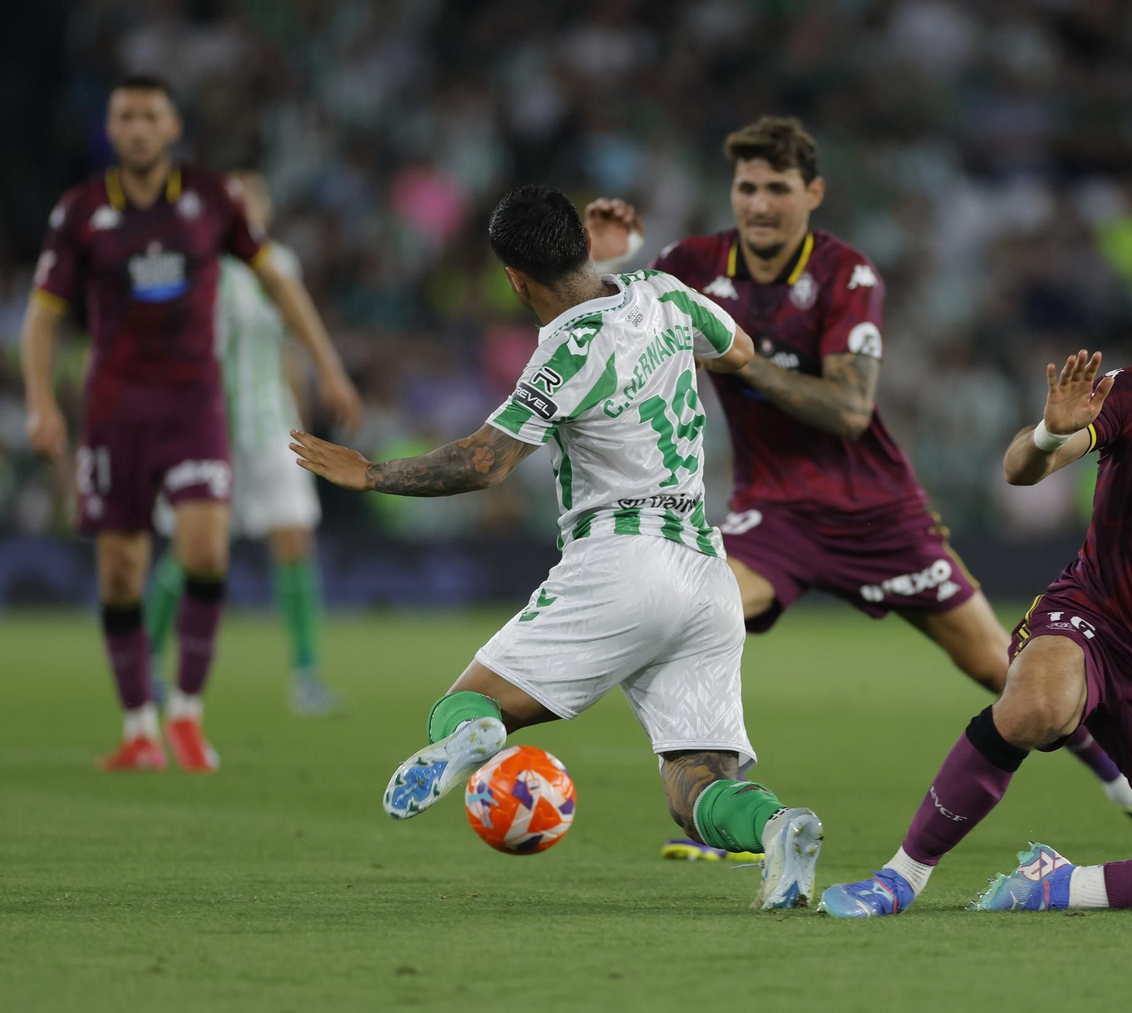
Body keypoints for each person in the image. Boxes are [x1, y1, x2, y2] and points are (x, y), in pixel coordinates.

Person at [587, 115, 1132, 861]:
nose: (759, 204)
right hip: (774, 514)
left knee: (1005, 668)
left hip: (879, 514)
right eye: (746, 188)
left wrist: (736, 356)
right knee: (694, 620)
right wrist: (600, 267)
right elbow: (592, 332)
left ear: (813, 193)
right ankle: (728, 809)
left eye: (777, 188)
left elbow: (848, 408)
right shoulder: (690, 264)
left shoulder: (847, 273)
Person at [289, 183, 825, 911]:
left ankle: (476, 738)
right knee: (696, 784)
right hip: (705, 571)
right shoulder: (666, 294)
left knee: (467, 705)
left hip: (621, 562)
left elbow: (487, 461)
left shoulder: (564, 351)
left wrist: (370, 471)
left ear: (513, 278)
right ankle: (780, 827)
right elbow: (740, 350)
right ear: (580, 242)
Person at [819, 259, 1132, 917]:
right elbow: (1020, 470)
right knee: (1038, 704)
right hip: (1084, 622)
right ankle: (898, 877)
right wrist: (1049, 432)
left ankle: (1058, 886)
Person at [21, 74, 360, 772]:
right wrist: (40, 399)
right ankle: (138, 725)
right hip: (115, 410)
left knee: (207, 547)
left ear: (173, 127)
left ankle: (185, 713)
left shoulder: (212, 200)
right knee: (121, 571)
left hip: (197, 405)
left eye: (152, 114)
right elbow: (44, 311)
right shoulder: (82, 210)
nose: (139, 126)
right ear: (111, 128)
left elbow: (279, 284)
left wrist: (327, 365)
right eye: (126, 115)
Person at [147, 172, 342, 716]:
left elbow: (288, 347)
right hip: (207, 429)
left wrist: (304, 419)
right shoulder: (195, 266)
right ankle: (144, 661)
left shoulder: (281, 264)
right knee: (191, 552)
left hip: (270, 425)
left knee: (295, 538)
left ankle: (306, 677)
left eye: (252, 201)